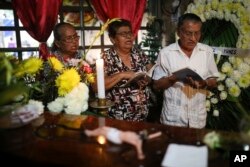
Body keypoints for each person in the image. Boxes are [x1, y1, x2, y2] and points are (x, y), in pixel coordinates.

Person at [152, 13, 219, 129]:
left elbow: (213, 80)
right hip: (172, 120)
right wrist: (173, 78)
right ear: (179, 32)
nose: (193, 38)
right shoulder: (166, 53)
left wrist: (204, 83)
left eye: (197, 33)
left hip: (198, 119)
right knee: (172, 147)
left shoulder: (206, 52)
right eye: (188, 33)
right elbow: (156, 85)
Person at [92, 19, 154, 121]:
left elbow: (153, 73)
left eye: (129, 33)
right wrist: (122, 75)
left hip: (142, 118)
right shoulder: (106, 58)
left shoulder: (139, 54)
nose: (128, 36)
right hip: (116, 119)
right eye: (123, 34)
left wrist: (146, 79)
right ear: (113, 39)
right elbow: (95, 86)